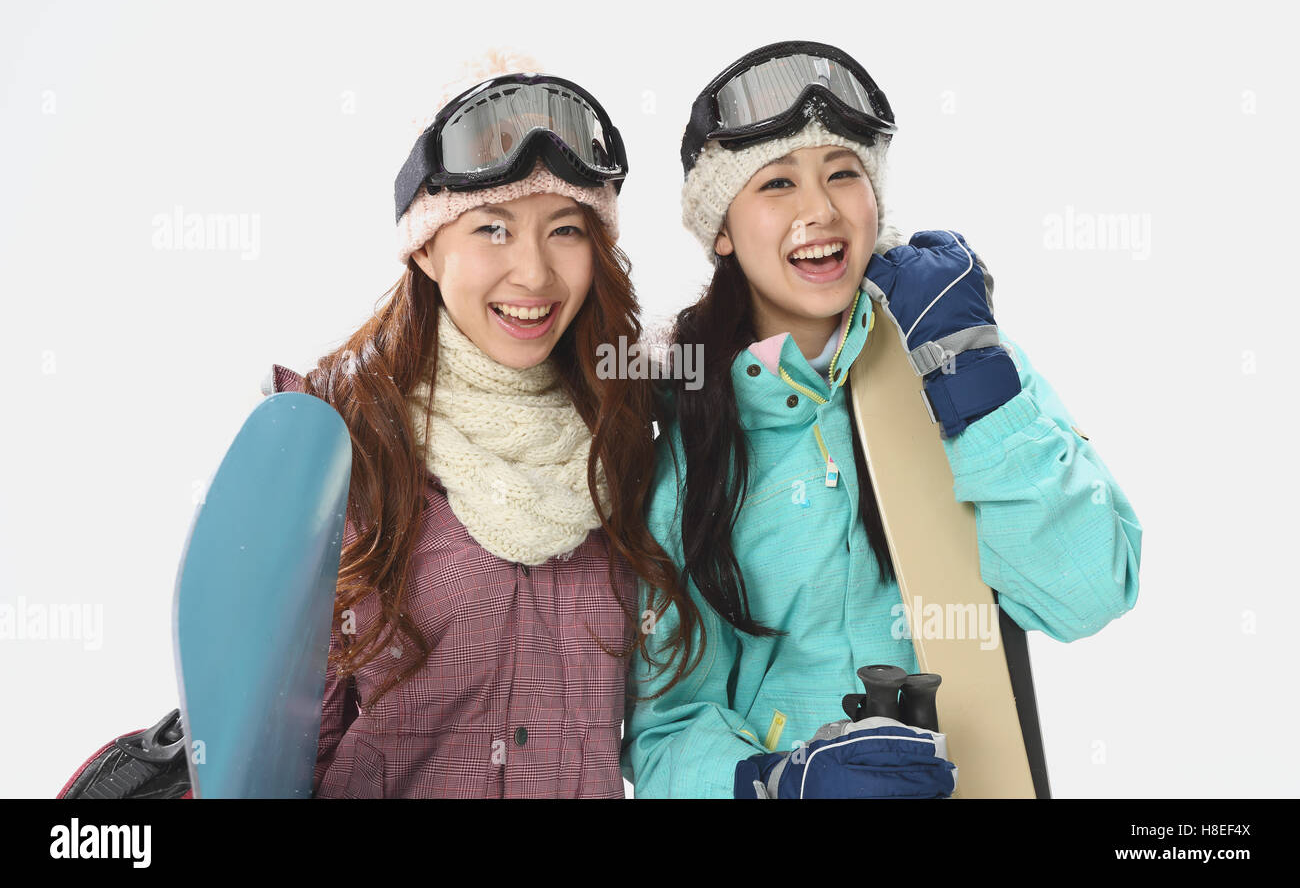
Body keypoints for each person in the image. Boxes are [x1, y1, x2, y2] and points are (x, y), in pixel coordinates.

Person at [621, 40, 1143, 798]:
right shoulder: (691, 433)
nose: (820, 210)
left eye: (843, 174)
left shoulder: (965, 359)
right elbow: (666, 727)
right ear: (723, 231)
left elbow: (1090, 593)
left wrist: (978, 394)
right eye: (776, 184)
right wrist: (774, 784)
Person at [262, 53, 685, 797]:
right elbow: (276, 750)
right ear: (425, 247)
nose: (533, 274)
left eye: (565, 231)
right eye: (492, 228)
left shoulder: (632, 433)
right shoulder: (338, 446)